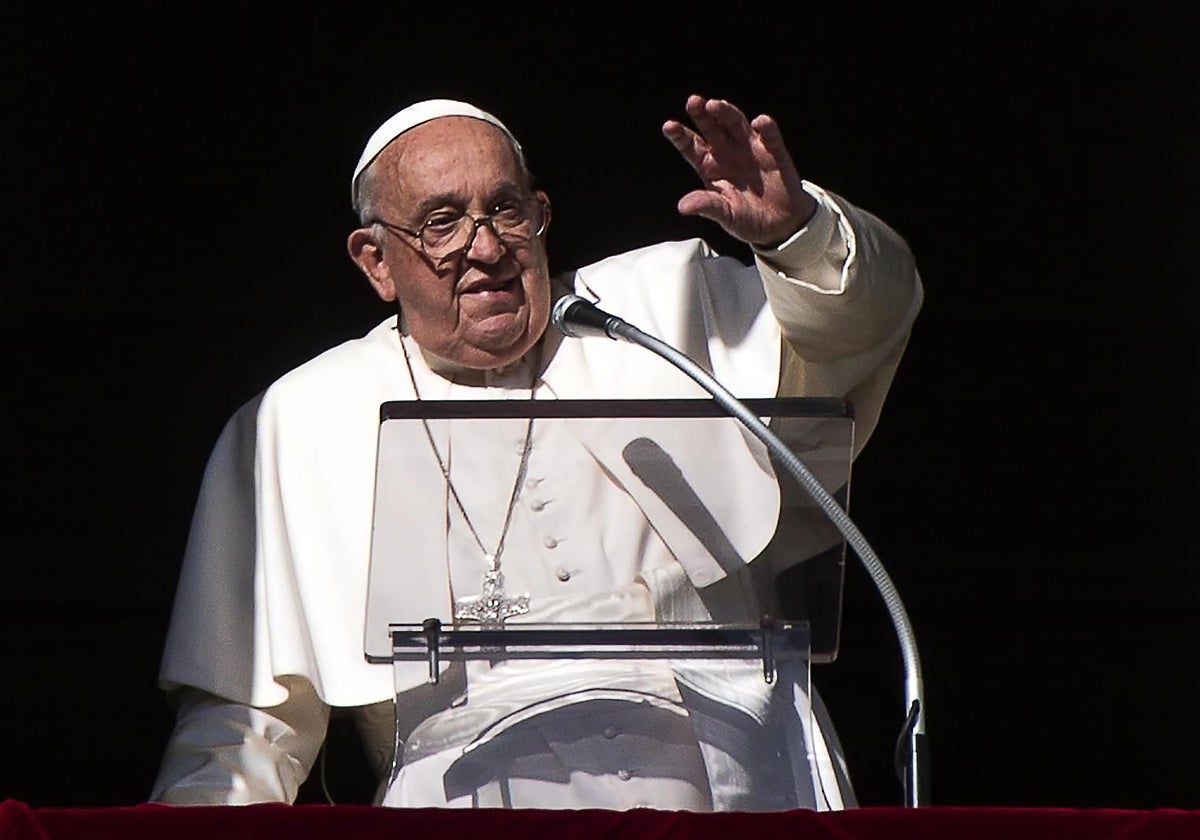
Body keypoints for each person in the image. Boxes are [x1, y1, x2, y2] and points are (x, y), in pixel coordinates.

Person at [151, 95, 923, 810]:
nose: (484, 247)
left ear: (540, 215)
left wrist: (799, 237)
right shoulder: (302, 419)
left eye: (506, 210)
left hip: (737, 798)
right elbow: (249, 723)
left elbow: (865, 322)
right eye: (442, 222)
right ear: (375, 260)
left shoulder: (657, 312)